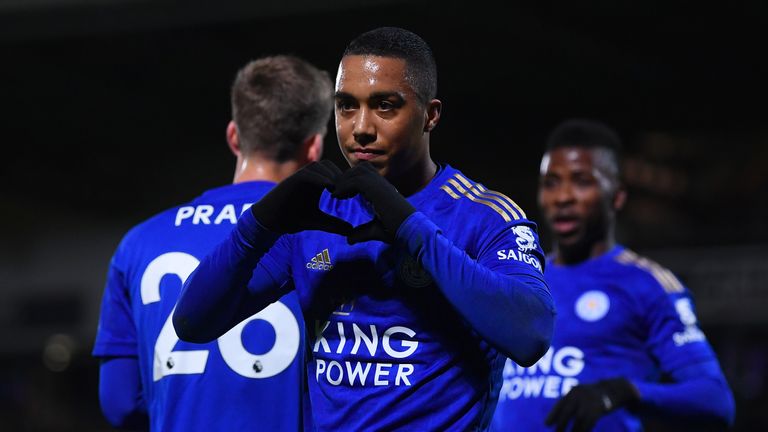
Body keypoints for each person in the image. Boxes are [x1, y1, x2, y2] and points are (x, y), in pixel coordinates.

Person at [173, 26, 555, 431]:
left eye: (385, 106)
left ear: (430, 115)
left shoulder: (484, 215)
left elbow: (530, 334)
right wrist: (259, 224)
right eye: (346, 106)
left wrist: (408, 224)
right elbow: (194, 322)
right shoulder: (316, 218)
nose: (360, 128)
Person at [91, 54, 334, 431]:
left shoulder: (139, 242)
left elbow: (120, 403)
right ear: (315, 147)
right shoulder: (327, 236)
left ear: (234, 135)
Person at [490, 118, 736, 431]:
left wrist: (623, 392)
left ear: (617, 196)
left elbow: (715, 400)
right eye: (551, 182)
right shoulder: (517, 277)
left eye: (581, 181)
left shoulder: (646, 284)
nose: (563, 197)